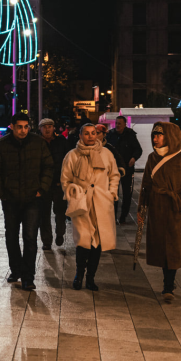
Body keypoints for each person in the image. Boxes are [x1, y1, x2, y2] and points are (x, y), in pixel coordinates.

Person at [0, 113, 54, 291]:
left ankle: (28, 277)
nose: (23, 130)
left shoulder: (38, 143)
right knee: (11, 236)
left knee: (30, 238)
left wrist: (42, 188)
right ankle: (15, 269)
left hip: (33, 198)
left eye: (26, 127)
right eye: (19, 127)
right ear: (12, 127)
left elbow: (49, 166)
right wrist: (1, 193)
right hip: (10, 199)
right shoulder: (2, 145)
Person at [139, 121, 181, 303]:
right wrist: (142, 208)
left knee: (173, 246)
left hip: (176, 209)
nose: (155, 138)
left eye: (159, 135)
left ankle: (168, 284)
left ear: (170, 137)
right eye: (154, 135)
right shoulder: (152, 158)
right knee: (160, 245)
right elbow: (146, 186)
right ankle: (167, 281)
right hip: (157, 207)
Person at [61, 123, 120, 291]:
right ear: (80, 135)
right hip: (82, 203)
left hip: (102, 203)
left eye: (93, 133)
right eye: (86, 133)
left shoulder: (106, 154)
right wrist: (71, 193)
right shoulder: (72, 155)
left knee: (98, 242)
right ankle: (79, 275)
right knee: (83, 241)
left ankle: (91, 278)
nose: (90, 136)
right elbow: (65, 179)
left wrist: (112, 193)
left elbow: (114, 174)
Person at [38, 118, 70, 249]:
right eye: (44, 127)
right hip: (42, 185)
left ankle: (60, 233)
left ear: (53, 128)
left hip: (59, 184)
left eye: (50, 126)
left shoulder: (62, 142)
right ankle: (46, 241)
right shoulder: (36, 142)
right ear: (40, 129)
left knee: (60, 213)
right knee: (43, 214)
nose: (47, 129)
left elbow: (68, 161)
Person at [106, 115, 143, 224]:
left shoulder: (130, 135)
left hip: (127, 169)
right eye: (116, 123)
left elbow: (138, 150)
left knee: (127, 193)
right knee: (113, 193)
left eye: (119, 123)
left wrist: (134, 158)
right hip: (113, 170)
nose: (117, 125)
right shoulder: (111, 135)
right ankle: (113, 216)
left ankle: (123, 216)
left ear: (124, 124)